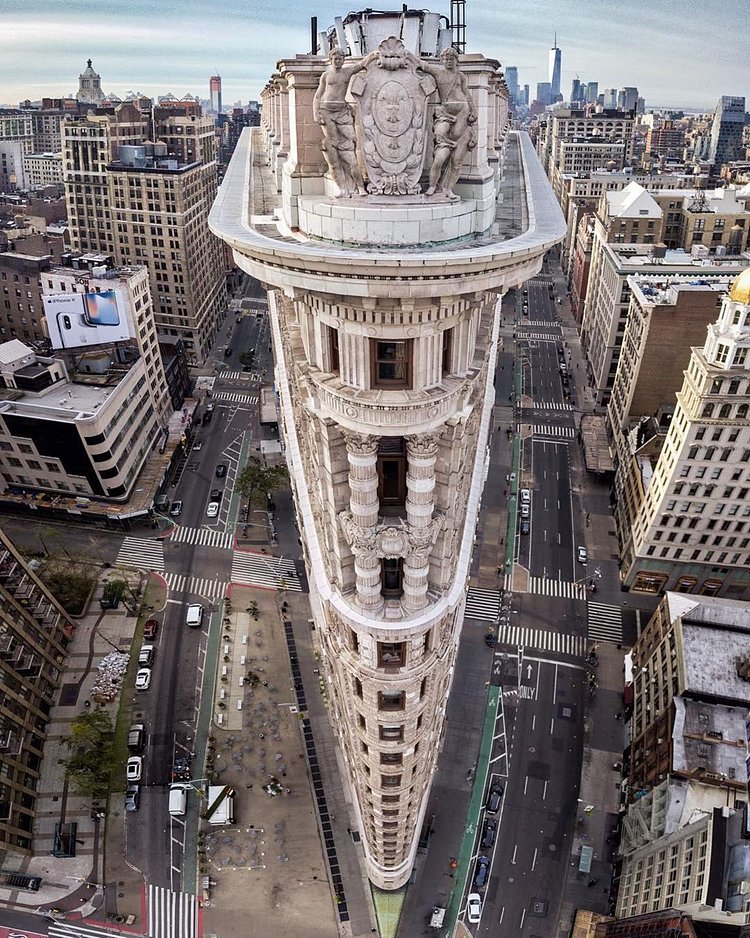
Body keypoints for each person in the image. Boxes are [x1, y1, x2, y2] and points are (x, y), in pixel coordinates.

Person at [410, 47, 476, 198]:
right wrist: (408, 55)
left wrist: (474, 110)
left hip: (463, 112)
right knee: (439, 157)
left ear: (456, 60)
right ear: (441, 61)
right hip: (445, 114)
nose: (448, 61)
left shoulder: (460, 76)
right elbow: (423, 65)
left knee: (457, 160)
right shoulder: (438, 73)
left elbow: (466, 94)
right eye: (445, 59)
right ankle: (433, 186)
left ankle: (447, 188)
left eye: (451, 59)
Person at [313, 49, 373, 197]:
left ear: (343, 60)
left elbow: (361, 64)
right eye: (335, 59)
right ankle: (343, 188)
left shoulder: (347, 72)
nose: (338, 61)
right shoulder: (326, 75)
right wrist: (315, 113)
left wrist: (373, 55)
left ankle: (359, 187)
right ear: (330, 59)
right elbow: (318, 95)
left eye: (340, 59)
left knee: (350, 144)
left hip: (341, 111)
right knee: (333, 147)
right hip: (326, 110)